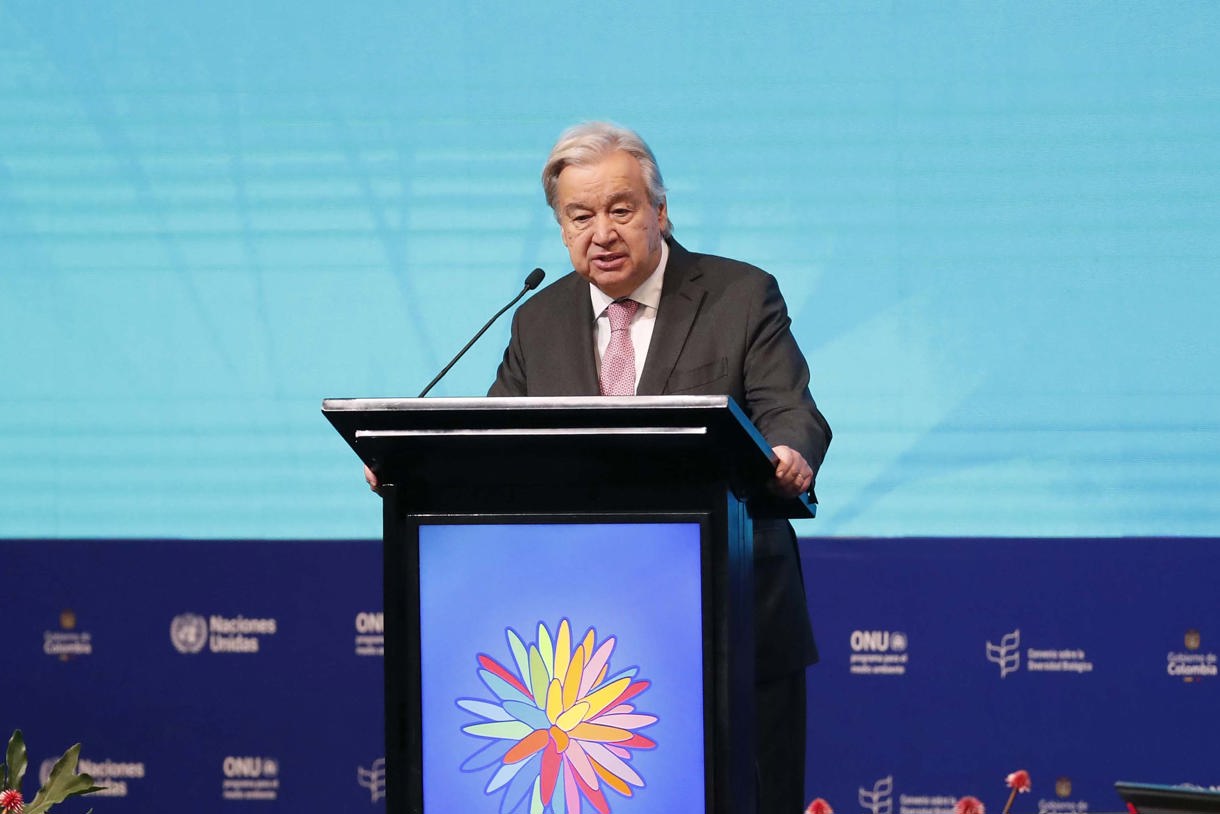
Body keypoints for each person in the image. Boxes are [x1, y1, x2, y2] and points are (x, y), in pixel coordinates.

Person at [367, 121, 831, 813]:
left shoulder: (739, 295)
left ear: (660, 211)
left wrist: (789, 451)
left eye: (621, 209)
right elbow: (495, 436)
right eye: (580, 216)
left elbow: (791, 410)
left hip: (730, 614)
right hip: (585, 629)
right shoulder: (540, 318)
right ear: (560, 229)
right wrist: (418, 466)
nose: (602, 232)